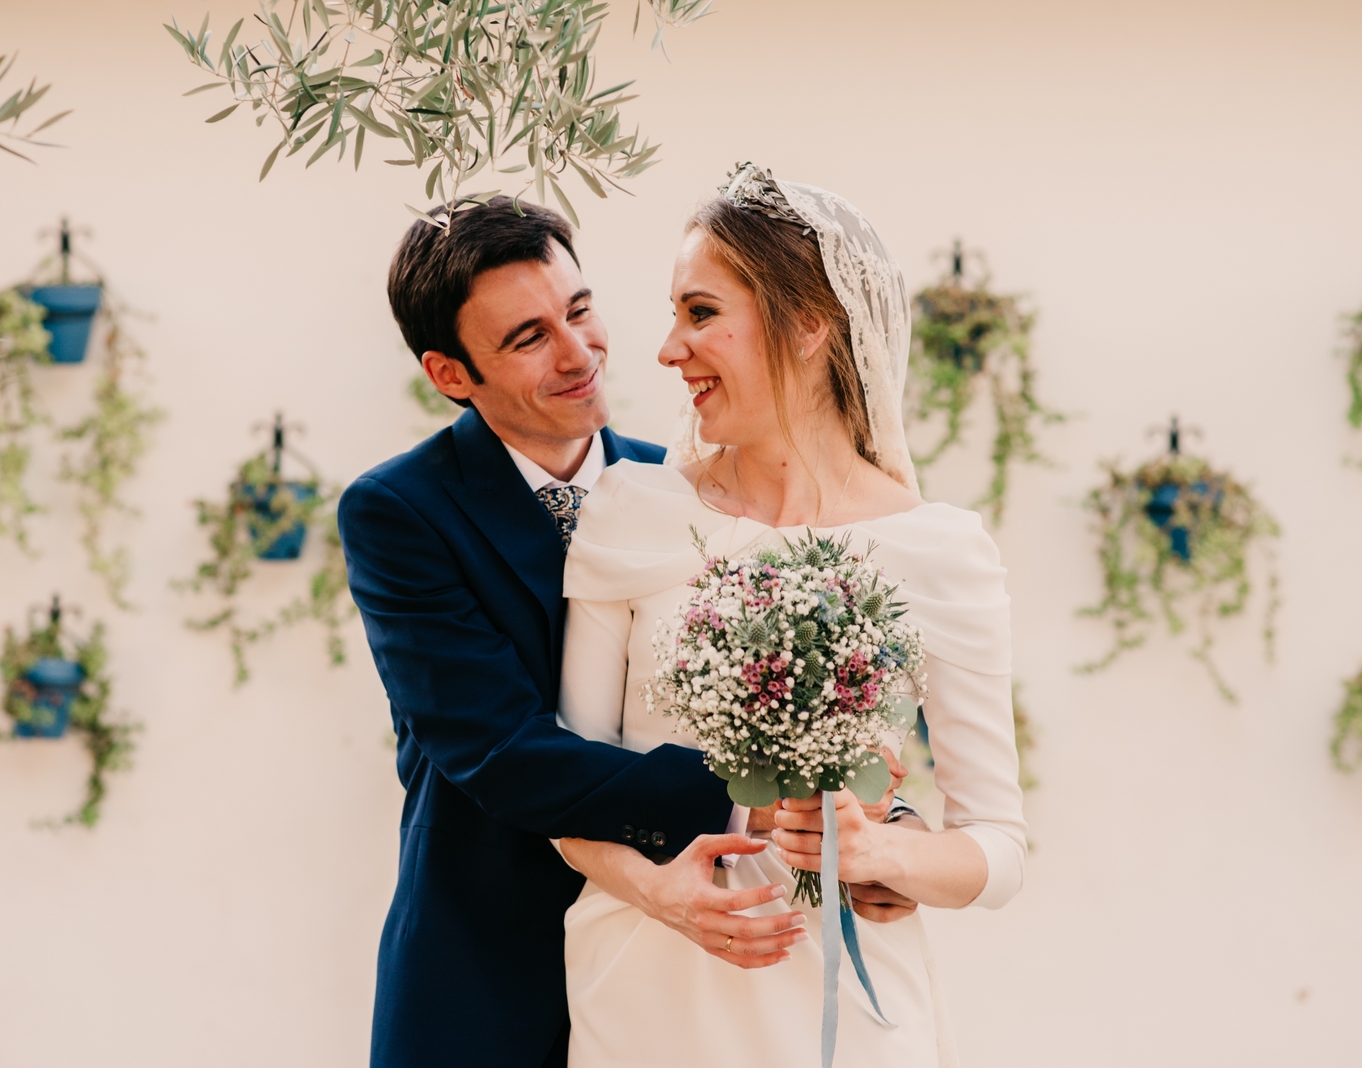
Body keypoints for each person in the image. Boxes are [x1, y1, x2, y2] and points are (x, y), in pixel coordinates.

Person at [341, 198, 919, 1068]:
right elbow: (498, 749)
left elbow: (775, 689)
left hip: (681, 980)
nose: (579, 353)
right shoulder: (400, 512)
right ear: (450, 373)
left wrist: (872, 824)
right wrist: (753, 798)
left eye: (579, 310)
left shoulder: (687, 489)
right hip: (490, 971)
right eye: (529, 338)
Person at [552, 164, 1028, 1066]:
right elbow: (568, 788)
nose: (668, 349)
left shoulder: (939, 550)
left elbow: (997, 846)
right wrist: (665, 895)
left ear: (809, 324)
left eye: (701, 313)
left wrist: (881, 854)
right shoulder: (630, 510)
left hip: (842, 1006)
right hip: (650, 993)